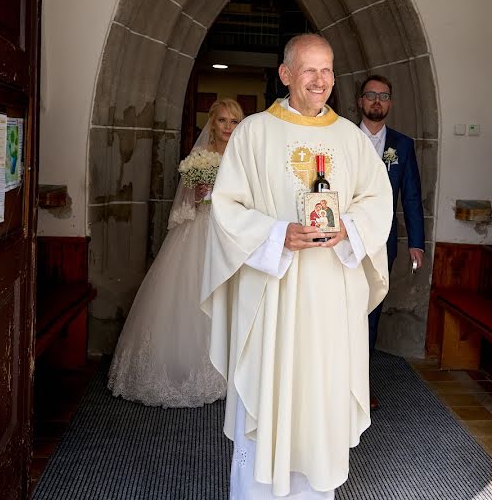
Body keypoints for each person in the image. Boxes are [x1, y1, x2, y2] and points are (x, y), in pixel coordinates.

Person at [202, 34, 393, 498]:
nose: (320, 80)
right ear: (286, 75)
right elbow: (226, 208)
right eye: (309, 69)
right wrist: (276, 235)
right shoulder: (253, 134)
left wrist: (349, 227)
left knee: (319, 397)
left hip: (331, 295)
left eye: (327, 69)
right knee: (271, 394)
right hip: (274, 296)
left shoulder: (350, 138)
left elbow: (377, 201)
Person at [108, 98, 244, 407]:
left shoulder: (244, 157)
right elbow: (184, 207)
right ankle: (187, 369)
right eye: (222, 120)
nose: (227, 127)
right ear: (212, 123)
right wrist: (197, 196)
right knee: (192, 297)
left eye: (234, 121)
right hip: (201, 232)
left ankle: (236, 372)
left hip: (232, 235)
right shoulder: (200, 157)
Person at [357, 75, 426, 409]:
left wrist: (417, 242)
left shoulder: (402, 145)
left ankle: (360, 386)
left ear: (391, 103)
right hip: (343, 241)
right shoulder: (342, 137)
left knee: (371, 313)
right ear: (360, 101)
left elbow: (411, 196)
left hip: (383, 243)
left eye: (383, 96)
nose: (377, 101)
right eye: (371, 95)